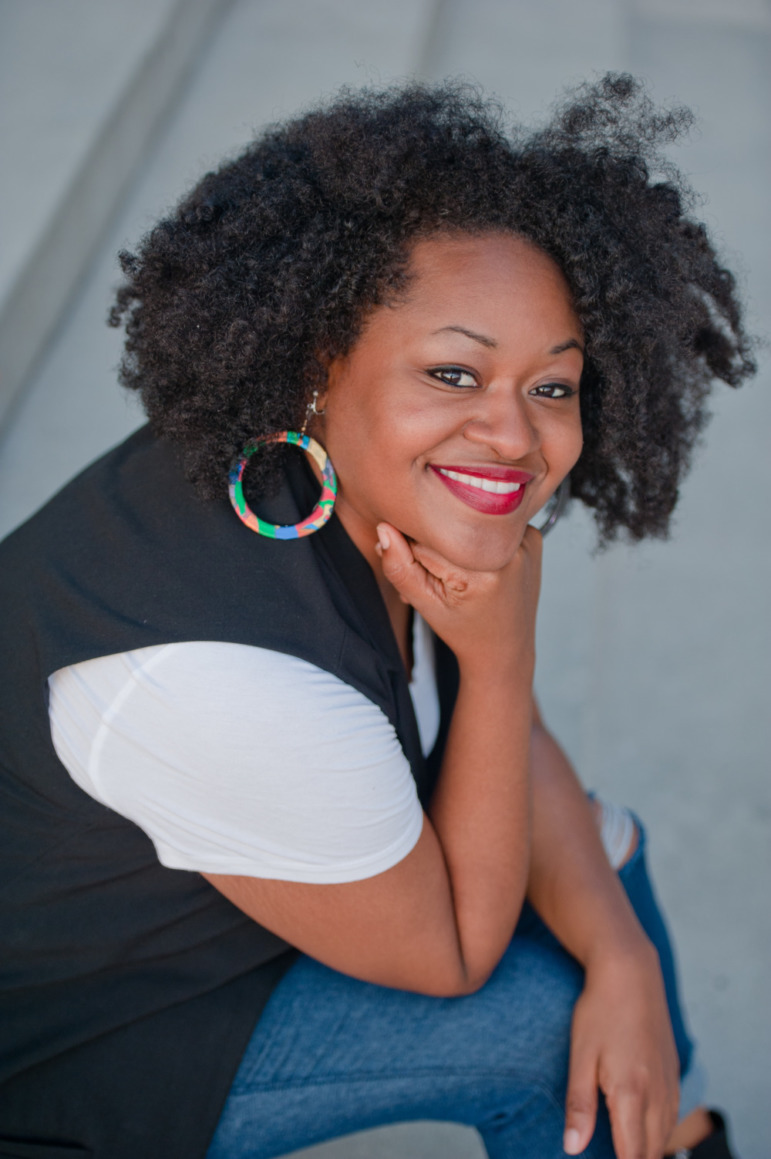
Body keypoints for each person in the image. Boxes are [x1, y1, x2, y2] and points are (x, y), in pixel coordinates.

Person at [0, 75, 754, 1159]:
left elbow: (516, 758)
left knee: (600, 853)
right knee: (547, 1032)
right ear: (320, 363)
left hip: (222, 925)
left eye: (554, 386)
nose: (513, 436)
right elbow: (452, 956)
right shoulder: (227, 676)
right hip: (81, 1046)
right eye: (453, 372)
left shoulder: (326, 486)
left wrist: (625, 955)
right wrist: (499, 667)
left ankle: (669, 1134)